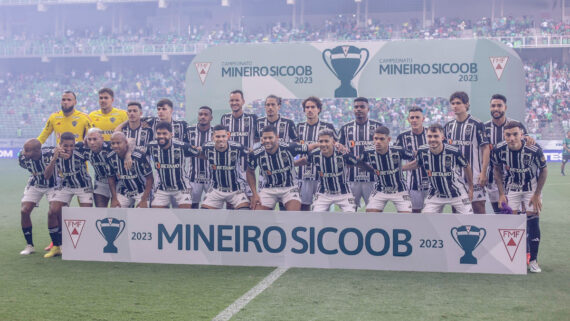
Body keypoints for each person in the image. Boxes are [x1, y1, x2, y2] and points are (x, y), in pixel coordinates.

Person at [492, 121, 548, 273]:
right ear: (504, 135)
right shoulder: (498, 149)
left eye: (515, 134)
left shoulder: (534, 149)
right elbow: (497, 169)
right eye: (508, 135)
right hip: (512, 188)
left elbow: (543, 170)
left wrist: (537, 194)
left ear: (522, 134)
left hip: (531, 188)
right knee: (512, 224)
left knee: (533, 220)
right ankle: (515, 258)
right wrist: (502, 194)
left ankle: (534, 260)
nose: (512, 138)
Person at [43, 132, 93, 258]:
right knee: (52, 211)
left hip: (83, 186)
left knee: (86, 215)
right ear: (60, 144)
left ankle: (85, 245)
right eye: (66, 146)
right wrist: (54, 158)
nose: (69, 148)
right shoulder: (54, 153)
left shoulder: (81, 150)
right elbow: (47, 175)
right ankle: (56, 246)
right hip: (66, 186)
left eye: (72, 145)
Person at [408, 124, 474, 214]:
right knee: (426, 220)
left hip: (457, 193)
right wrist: (399, 168)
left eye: (436, 136)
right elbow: (417, 163)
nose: (432, 139)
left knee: (469, 219)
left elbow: (466, 166)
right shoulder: (422, 151)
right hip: (435, 193)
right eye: (429, 136)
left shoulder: (454, 151)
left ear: (442, 137)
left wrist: (471, 188)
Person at [484, 94, 533, 213]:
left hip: (515, 177)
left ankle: (522, 232)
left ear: (505, 107)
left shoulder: (516, 125)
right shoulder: (484, 127)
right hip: (494, 177)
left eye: (499, 106)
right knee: (500, 212)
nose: (496, 108)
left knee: (519, 213)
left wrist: (529, 138)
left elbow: (527, 142)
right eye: (493, 106)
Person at [247, 125, 314, 211]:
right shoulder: (255, 154)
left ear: (277, 137)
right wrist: (255, 194)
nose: (267, 141)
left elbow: (310, 147)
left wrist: (329, 145)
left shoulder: (289, 147)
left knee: (293, 215)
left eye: (270, 138)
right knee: (258, 215)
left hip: (290, 187)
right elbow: (250, 172)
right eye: (265, 138)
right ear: (261, 139)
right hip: (268, 189)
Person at [444, 91, 489, 214]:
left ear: (466, 104)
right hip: (455, 177)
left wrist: (483, 172)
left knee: (478, 207)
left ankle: (483, 231)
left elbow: (485, 148)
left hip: (474, 175)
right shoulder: (448, 126)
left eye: (458, 103)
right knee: (457, 209)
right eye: (453, 103)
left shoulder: (477, 124)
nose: (455, 106)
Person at [298, 129, 359, 212]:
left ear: (333, 142)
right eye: (321, 141)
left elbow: (355, 162)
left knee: (350, 215)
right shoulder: (314, 154)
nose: (323, 144)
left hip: (344, 193)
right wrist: (292, 164)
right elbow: (304, 160)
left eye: (326, 141)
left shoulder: (342, 153)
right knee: (316, 216)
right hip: (323, 193)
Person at [338, 97, 383, 210]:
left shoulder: (378, 127)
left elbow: (385, 149)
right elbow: (339, 151)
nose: (358, 109)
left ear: (368, 109)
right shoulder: (345, 128)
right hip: (351, 178)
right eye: (356, 107)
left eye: (362, 107)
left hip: (372, 178)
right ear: (353, 110)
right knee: (351, 211)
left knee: (373, 211)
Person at [145, 121, 199, 208]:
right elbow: (137, 153)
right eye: (159, 133)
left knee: (185, 211)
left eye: (164, 133)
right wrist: (128, 155)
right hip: (162, 188)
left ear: (171, 134)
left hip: (182, 188)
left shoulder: (182, 146)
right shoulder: (151, 146)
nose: (161, 136)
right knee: (155, 214)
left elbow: (199, 153)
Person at [296, 96, 336, 211]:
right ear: (304, 110)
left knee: (324, 208)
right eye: (307, 107)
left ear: (319, 109)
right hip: (303, 175)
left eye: (313, 107)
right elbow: (294, 148)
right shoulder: (299, 127)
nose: (309, 110)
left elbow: (336, 147)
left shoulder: (328, 127)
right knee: (303, 207)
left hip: (323, 176)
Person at [17, 139, 57, 255]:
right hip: (35, 184)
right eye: (24, 149)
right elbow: (29, 168)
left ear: (37, 151)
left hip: (53, 185)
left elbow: (48, 174)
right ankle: (29, 245)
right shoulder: (23, 158)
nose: (24, 152)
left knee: (54, 212)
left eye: (27, 150)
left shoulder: (50, 154)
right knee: (24, 211)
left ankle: (56, 244)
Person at [362, 127, 414, 213]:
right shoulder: (368, 152)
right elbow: (360, 162)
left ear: (388, 139)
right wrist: (371, 170)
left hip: (400, 190)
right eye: (376, 138)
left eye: (382, 139)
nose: (378, 141)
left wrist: (403, 168)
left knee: (407, 216)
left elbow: (417, 158)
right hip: (380, 190)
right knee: (370, 215)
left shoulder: (398, 150)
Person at [219, 90, 258, 202]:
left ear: (243, 102)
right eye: (232, 100)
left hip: (247, 168)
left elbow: (257, 138)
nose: (234, 103)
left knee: (251, 200)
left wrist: (252, 151)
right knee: (231, 201)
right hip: (230, 167)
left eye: (237, 100)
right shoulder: (225, 118)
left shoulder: (252, 118)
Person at [200, 124, 250, 210]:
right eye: (217, 136)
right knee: (204, 214)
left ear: (228, 136)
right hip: (216, 189)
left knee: (244, 212)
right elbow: (198, 153)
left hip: (236, 190)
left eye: (223, 136)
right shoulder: (206, 147)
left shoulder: (237, 147)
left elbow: (251, 153)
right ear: (213, 137)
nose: (221, 139)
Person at [395, 106, 428, 213]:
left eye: (417, 117)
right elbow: (395, 158)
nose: (414, 120)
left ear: (423, 119)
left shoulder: (432, 134)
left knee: (433, 214)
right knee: (415, 214)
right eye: (412, 118)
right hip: (413, 184)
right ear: (408, 120)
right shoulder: (402, 137)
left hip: (432, 184)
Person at [107, 132, 153, 208]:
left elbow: (150, 178)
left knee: (142, 211)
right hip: (125, 191)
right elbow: (111, 178)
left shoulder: (139, 156)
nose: (115, 146)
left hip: (142, 191)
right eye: (113, 143)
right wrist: (114, 198)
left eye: (118, 143)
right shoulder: (110, 157)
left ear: (125, 143)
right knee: (115, 210)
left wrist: (144, 199)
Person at [186, 106, 214, 208]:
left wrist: (200, 151)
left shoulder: (216, 132)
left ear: (211, 118)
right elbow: (183, 149)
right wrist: (192, 149)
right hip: (193, 176)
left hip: (211, 177)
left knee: (211, 207)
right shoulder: (189, 131)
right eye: (200, 114)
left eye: (206, 115)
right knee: (192, 206)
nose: (203, 117)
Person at [80, 128, 112, 208]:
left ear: (102, 139)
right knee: (100, 210)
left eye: (95, 139)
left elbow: (130, 142)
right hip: (100, 182)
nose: (92, 142)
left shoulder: (111, 147)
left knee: (117, 210)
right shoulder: (84, 149)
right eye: (89, 139)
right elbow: (69, 145)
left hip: (117, 183)